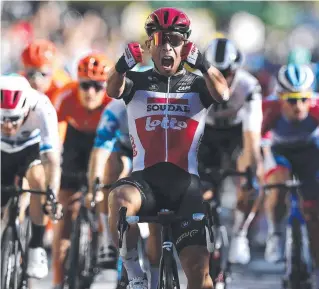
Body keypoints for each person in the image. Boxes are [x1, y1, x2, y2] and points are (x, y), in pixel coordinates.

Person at [106, 7, 229, 289]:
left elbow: (223, 94)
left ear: (185, 46)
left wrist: (205, 64)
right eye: (161, 40)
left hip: (185, 187)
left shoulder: (198, 84)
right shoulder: (137, 82)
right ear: (150, 44)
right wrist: (121, 66)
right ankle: (135, 273)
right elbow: (112, 89)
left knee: (199, 275)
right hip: (145, 182)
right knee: (118, 198)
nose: (167, 47)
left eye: (175, 40)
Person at [197, 37, 263, 264]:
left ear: (237, 70)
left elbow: (252, 137)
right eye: (216, 72)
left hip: (237, 134)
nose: (221, 79)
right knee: (198, 186)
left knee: (251, 178)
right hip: (207, 134)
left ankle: (240, 233)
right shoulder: (195, 82)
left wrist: (250, 173)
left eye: (227, 73)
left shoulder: (248, 86)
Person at [51, 52, 112, 289]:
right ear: (77, 83)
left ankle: (104, 233)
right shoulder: (64, 96)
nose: (90, 92)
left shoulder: (112, 102)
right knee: (65, 212)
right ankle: (57, 281)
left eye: (98, 87)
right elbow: (53, 138)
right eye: (85, 85)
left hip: (104, 142)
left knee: (106, 187)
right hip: (75, 142)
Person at [262, 64, 319, 285]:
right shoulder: (267, 107)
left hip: (309, 154)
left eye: (304, 99)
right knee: (278, 184)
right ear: (280, 97)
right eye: (292, 100)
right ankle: (275, 233)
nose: (299, 106)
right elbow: (255, 144)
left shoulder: (316, 107)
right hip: (278, 153)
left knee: (314, 212)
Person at [0, 74, 62, 279]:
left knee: (38, 179)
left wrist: (51, 195)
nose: (8, 126)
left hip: (30, 150)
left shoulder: (42, 107)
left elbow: (52, 160)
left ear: (26, 110)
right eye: (2, 119)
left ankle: (36, 246)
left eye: (13, 119)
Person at [88, 98, 132, 288]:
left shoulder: (159, 103)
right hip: (123, 148)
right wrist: (95, 188)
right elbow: (99, 152)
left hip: (149, 149)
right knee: (111, 170)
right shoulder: (115, 109)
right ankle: (107, 240)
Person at [20, 39, 71, 103]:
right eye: (31, 74)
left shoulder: (64, 87)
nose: (36, 81)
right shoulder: (17, 84)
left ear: (53, 71)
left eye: (43, 74)